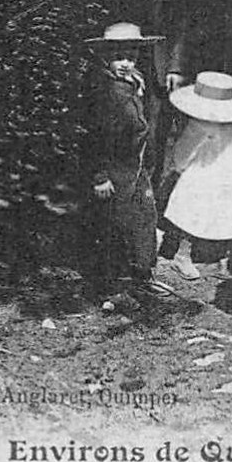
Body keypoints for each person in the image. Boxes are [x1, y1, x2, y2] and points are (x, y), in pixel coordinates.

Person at [83, 22, 169, 311]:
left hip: (137, 165)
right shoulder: (103, 91)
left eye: (131, 57)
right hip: (115, 167)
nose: (125, 63)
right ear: (106, 58)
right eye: (119, 57)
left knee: (144, 218)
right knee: (114, 227)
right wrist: (100, 176)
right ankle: (111, 289)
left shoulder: (137, 83)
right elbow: (94, 136)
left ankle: (141, 278)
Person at [157, 72, 232, 281]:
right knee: (226, 211)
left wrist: (179, 169)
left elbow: (183, 152)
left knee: (194, 205)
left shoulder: (201, 123)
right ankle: (205, 256)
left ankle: (188, 254)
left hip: (221, 171)